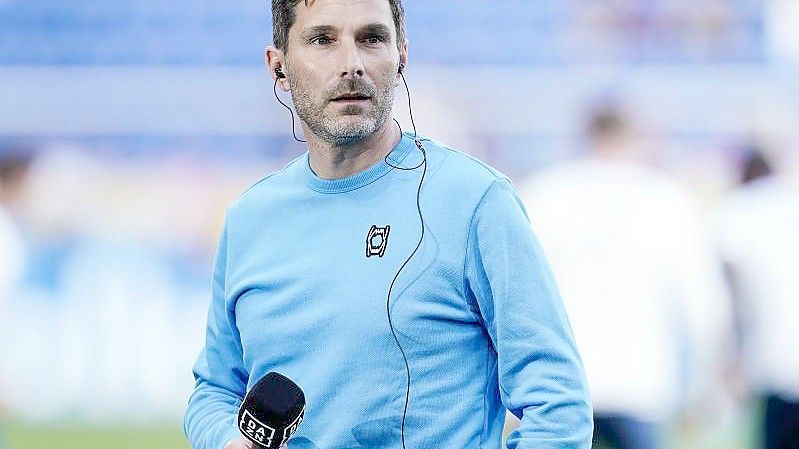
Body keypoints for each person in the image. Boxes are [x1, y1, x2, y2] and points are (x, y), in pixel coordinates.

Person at [183, 1, 592, 448]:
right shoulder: (250, 217)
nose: (351, 64)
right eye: (323, 40)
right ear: (278, 66)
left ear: (401, 58)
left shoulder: (475, 200)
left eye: (372, 38)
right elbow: (216, 389)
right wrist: (224, 441)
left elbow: (558, 406)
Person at [520, 106, 732, 449]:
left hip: (559, 380)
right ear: (635, 138)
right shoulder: (665, 198)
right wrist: (702, 385)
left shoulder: (544, 192)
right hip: (640, 379)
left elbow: (515, 292)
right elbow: (704, 305)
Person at [715, 146, 799, 449]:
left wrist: (731, 360)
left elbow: (727, 294)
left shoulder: (740, 210)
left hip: (774, 365)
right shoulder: (788, 200)